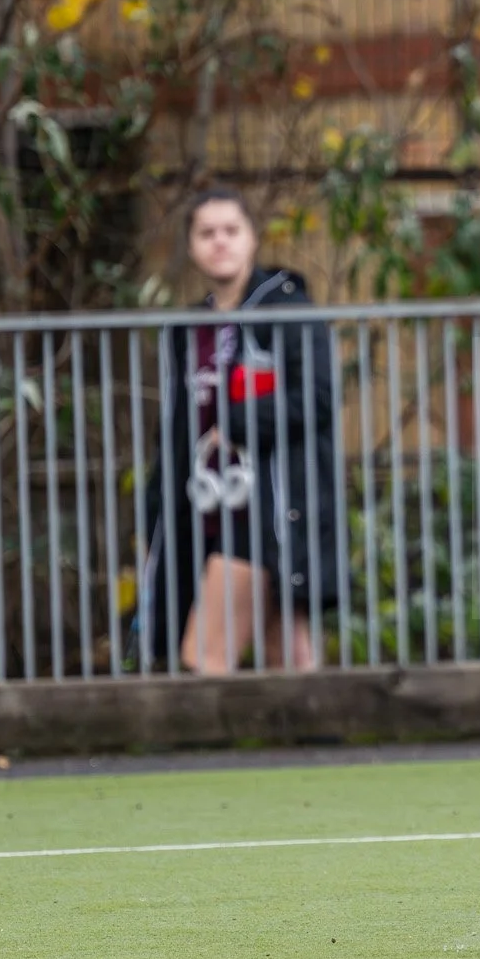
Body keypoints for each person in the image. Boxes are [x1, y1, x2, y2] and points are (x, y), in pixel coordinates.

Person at [141, 188, 339, 674]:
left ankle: (212, 733)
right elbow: (177, 425)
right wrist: (157, 502)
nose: (220, 242)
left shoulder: (287, 310)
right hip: (206, 504)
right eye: (206, 233)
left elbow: (316, 397)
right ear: (191, 247)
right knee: (287, 653)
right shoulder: (188, 328)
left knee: (204, 657)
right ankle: (320, 726)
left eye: (231, 230)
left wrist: (236, 423)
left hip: (267, 511)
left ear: (253, 238)